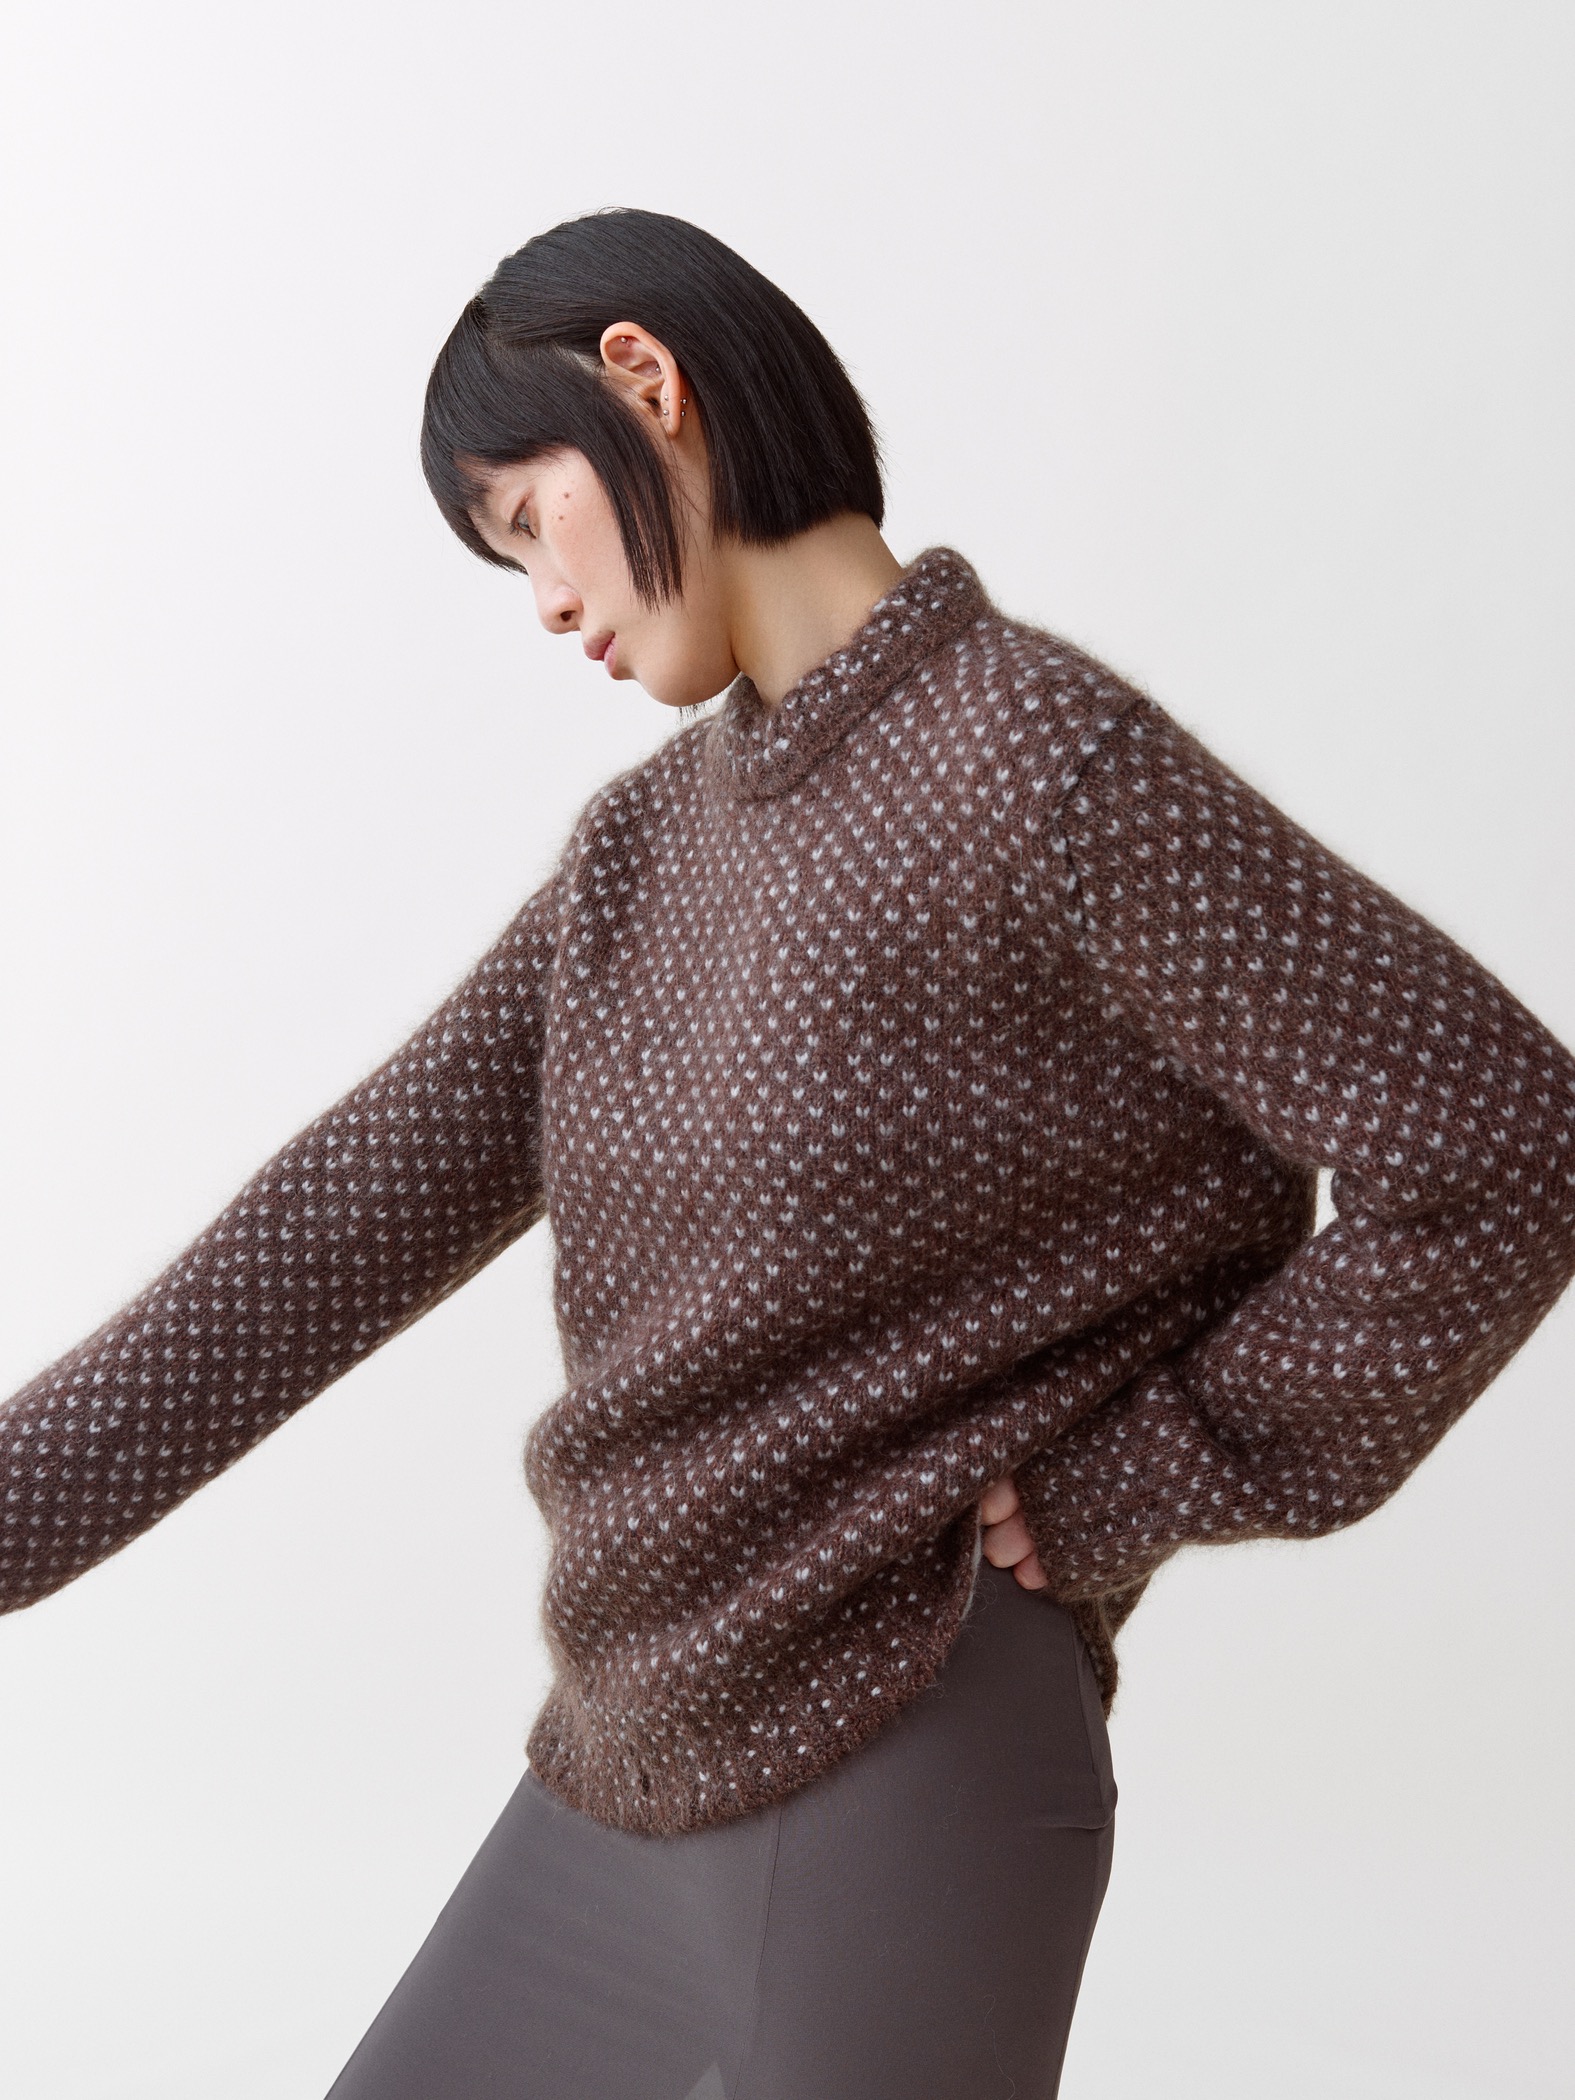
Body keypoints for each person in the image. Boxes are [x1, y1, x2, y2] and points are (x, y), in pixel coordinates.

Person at [3, 206, 1573, 2099]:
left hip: (912, 1754)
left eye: (530, 518)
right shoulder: (635, 859)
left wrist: (1144, 1475)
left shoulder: (1036, 757)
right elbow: (321, 1239)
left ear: (644, 380)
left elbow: (1503, 1140)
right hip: (621, 1770)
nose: (547, 603)